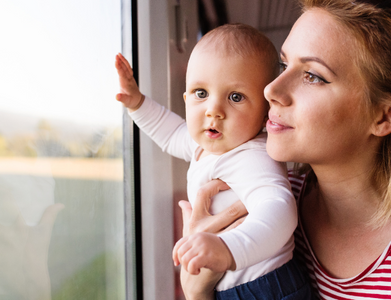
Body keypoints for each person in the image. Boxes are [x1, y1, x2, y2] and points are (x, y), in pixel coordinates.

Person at [179, 0, 391, 299]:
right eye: (285, 65)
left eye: (313, 76)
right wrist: (198, 292)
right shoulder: (255, 208)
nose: (272, 89)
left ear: (385, 115)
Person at [114, 24, 312, 299]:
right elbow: (171, 133)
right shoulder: (204, 145)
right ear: (186, 99)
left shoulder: (252, 156)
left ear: (266, 111)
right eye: (201, 93)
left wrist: (229, 248)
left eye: (235, 97)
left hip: (265, 287)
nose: (213, 111)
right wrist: (137, 103)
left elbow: (280, 210)